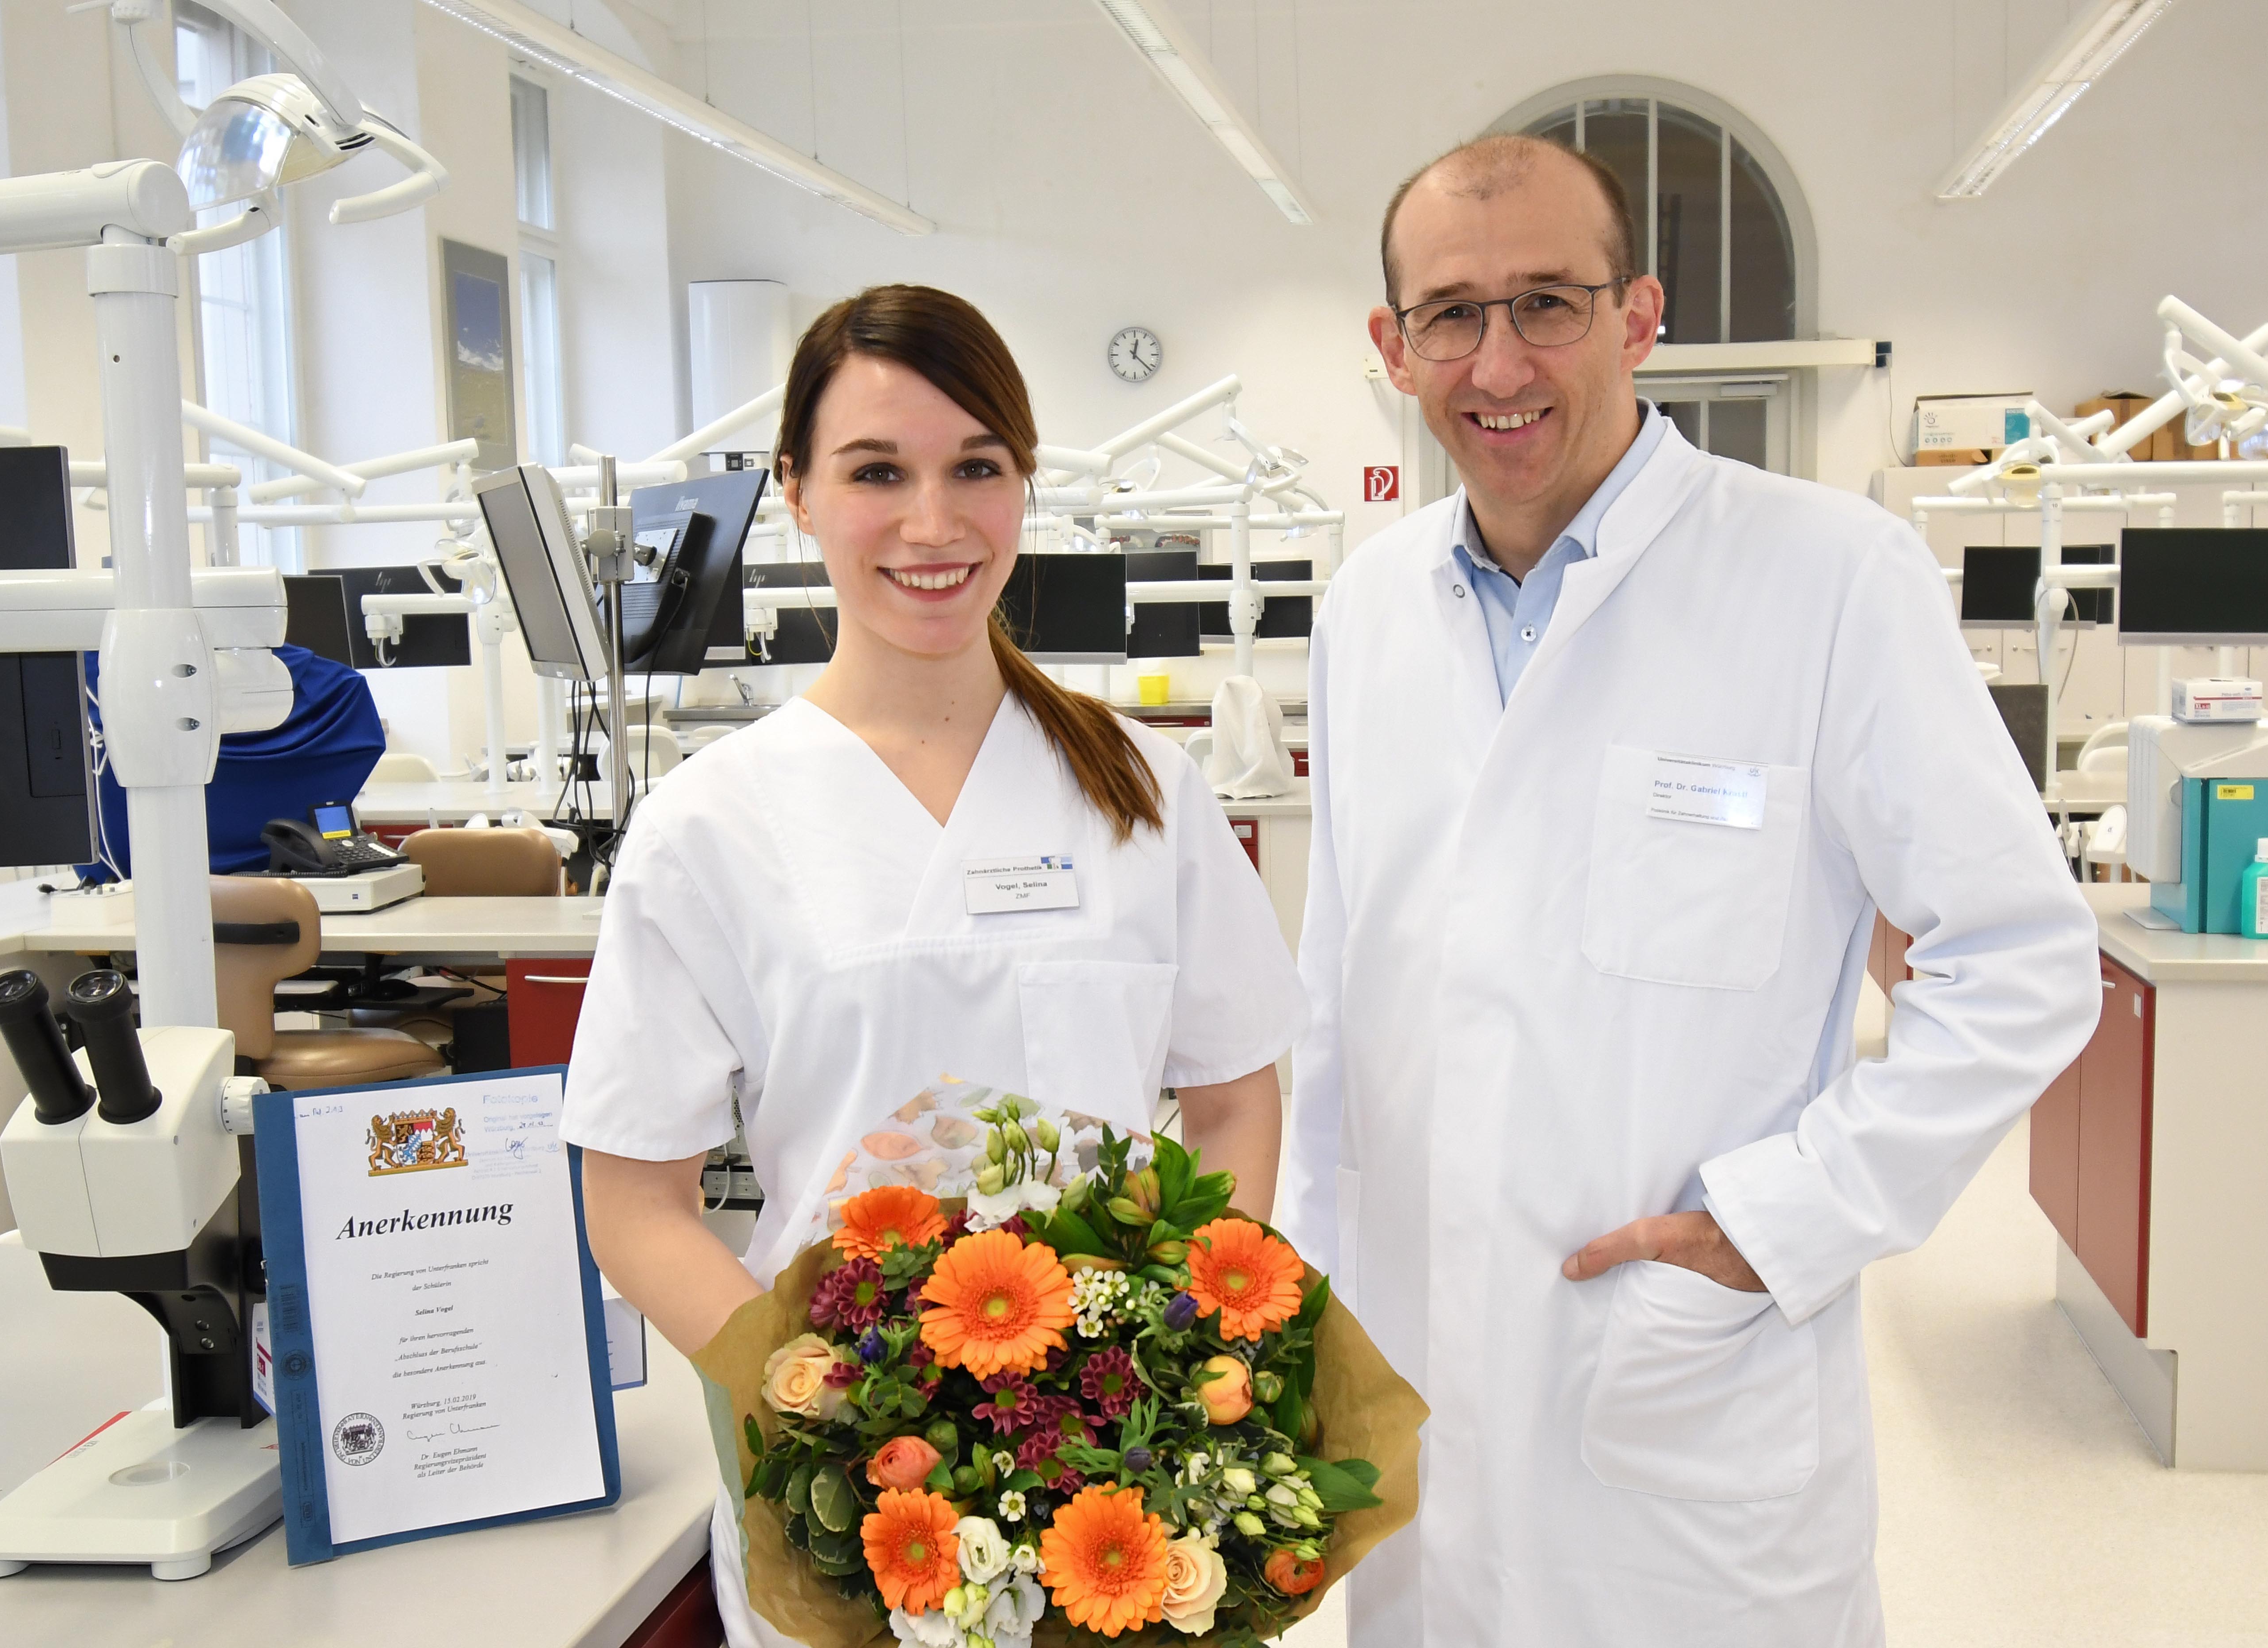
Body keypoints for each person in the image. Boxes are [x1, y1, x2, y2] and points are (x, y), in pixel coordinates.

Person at [1278, 134, 2100, 1644]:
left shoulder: (1834, 578)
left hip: (1679, 1376)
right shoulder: (1368, 609)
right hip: (1414, 1371)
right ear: (1392, 348)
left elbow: (2024, 958)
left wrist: (1786, 1215)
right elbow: (1342, 986)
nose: (1499, 358)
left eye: (1549, 302)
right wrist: (1294, 1292)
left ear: (1640, 316)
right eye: (1451, 313)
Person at [562, 285, 1303, 1648]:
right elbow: (634, 1201)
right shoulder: (712, 827)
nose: (932, 522)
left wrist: (1193, 1349)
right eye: (876, 473)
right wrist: (813, 1404)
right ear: (793, 489)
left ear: (1026, 482)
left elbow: (1240, 1096)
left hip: (1110, 1483)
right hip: (854, 1500)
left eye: (977, 468)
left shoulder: (1143, 791)